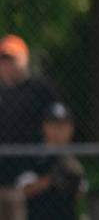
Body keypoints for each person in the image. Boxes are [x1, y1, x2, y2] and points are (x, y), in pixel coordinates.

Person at [0, 35, 59, 199]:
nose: (6, 65)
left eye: (11, 59)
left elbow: (59, 125)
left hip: (32, 169)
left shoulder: (39, 90)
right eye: (3, 60)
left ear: (25, 59)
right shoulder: (2, 94)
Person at [16, 102, 87, 220]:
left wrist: (74, 180)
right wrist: (50, 180)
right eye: (54, 125)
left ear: (71, 128)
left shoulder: (72, 157)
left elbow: (81, 195)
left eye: (64, 125)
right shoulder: (34, 155)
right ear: (44, 126)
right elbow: (23, 192)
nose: (59, 130)